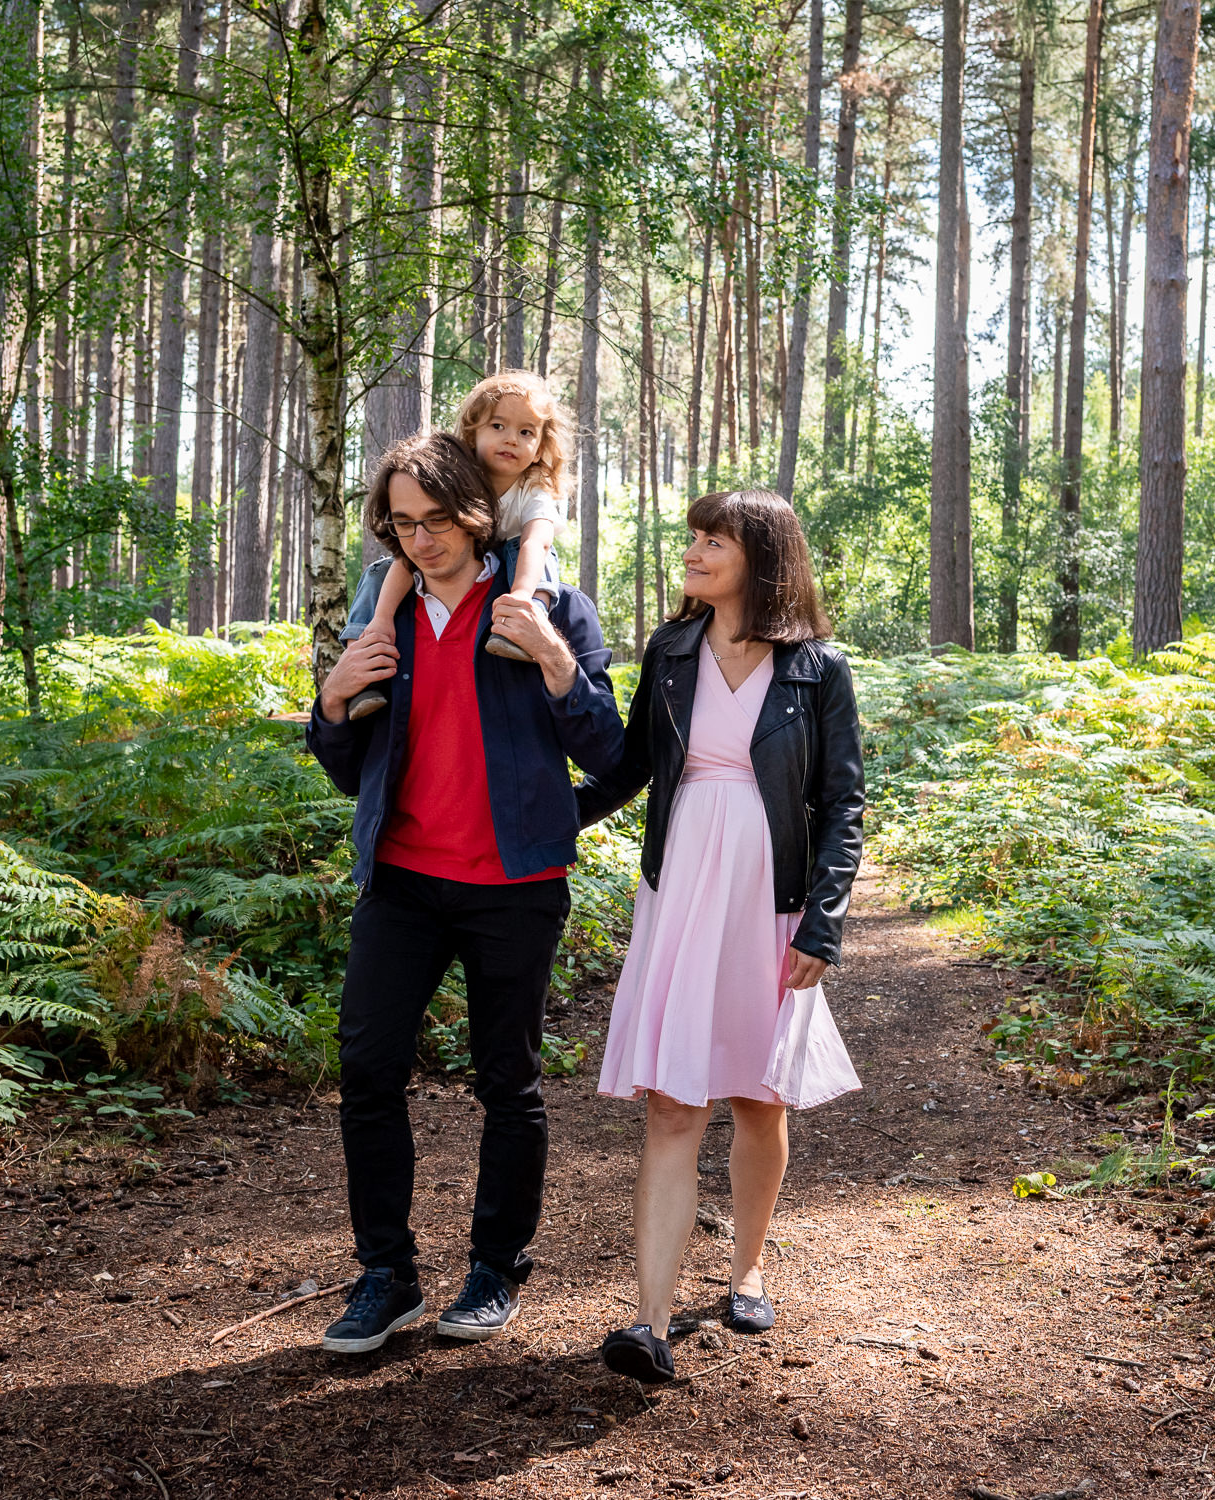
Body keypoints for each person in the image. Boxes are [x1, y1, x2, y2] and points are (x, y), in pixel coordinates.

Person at [305, 431, 624, 1354]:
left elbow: (611, 753)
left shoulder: (547, 604)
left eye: (438, 520)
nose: (421, 540)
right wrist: (330, 704)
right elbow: (347, 770)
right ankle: (385, 1275)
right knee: (367, 1072)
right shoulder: (385, 618)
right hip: (401, 883)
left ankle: (494, 1269)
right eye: (403, 524)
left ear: (479, 511)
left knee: (507, 1081)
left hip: (512, 888)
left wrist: (559, 666)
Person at [575, 489, 866, 1384]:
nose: (693, 553)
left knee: (757, 1098)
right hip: (681, 887)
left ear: (761, 558)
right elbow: (627, 768)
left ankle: (746, 1268)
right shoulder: (669, 651)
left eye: (713, 541)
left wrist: (823, 920)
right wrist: (541, 820)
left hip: (769, 895)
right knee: (671, 1101)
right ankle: (649, 1324)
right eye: (692, 539)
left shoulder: (817, 668)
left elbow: (842, 803)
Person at [342, 371, 574, 718]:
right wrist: (384, 618)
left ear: (541, 446)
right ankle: (364, 659)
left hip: (513, 568)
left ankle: (524, 626)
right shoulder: (457, 478)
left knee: (538, 554)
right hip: (462, 560)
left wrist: (522, 598)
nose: (510, 439)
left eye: (525, 432)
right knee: (382, 569)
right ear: (472, 432)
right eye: (498, 426)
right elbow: (418, 544)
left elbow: (535, 545)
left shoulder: (534, 490)